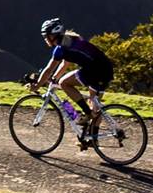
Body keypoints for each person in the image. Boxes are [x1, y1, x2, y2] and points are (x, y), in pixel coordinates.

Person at [32, 18, 114, 146]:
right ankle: (93, 139)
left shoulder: (60, 48)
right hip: (105, 69)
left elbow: (48, 69)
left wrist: (37, 85)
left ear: (53, 36)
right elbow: (66, 62)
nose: (45, 39)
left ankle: (87, 114)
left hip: (96, 71)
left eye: (46, 36)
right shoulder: (71, 39)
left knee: (64, 83)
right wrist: (55, 77)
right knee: (94, 104)